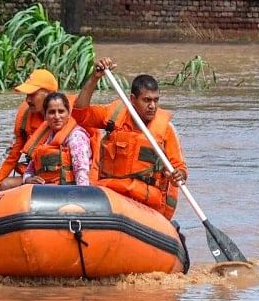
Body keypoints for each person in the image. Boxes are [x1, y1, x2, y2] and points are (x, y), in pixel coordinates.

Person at [72, 57, 187, 219]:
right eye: (147, 100)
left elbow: (180, 168)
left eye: (155, 100)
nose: (152, 106)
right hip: (112, 197)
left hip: (145, 205)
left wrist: (179, 175)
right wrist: (94, 78)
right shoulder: (113, 116)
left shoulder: (166, 130)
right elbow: (80, 114)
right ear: (133, 100)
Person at [0, 69, 59, 190]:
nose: (28, 100)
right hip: (36, 174)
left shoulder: (69, 116)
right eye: (27, 95)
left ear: (49, 95)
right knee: (2, 184)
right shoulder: (26, 116)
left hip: (62, 178)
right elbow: (11, 155)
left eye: (32, 94)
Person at [21, 92, 93, 186]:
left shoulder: (76, 137)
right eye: (51, 112)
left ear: (68, 114)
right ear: (45, 116)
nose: (57, 117)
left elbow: (82, 172)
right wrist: (28, 179)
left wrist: (81, 197)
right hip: (48, 190)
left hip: (70, 192)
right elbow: (29, 171)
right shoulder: (45, 138)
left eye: (61, 111)